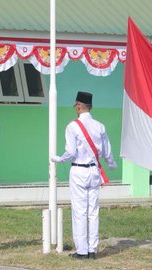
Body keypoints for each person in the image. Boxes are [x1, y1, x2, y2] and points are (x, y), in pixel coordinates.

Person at [51, 91, 117, 260]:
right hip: (94, 171)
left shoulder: (72, 126)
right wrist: (111, 164)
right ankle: (93, 250)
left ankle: (82, 251)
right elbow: (107, 150)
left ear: (79, 106)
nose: (75, 108)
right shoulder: (100, 126)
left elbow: (71, 152)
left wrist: (59, 159)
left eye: (75, 105)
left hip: (79, 170)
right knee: (93, 211)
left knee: (79, 211)